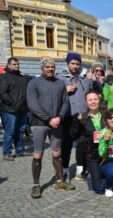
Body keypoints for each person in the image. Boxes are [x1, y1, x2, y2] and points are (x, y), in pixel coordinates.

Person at [27, 58, 74, 199]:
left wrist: (59, 117)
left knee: (57, 153)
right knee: (38, 154)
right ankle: (36, 186)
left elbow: (65, 101)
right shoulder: (33, 83)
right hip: (40, 123)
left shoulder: (60, 83)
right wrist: (48, 119)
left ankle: (60, 181)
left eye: (52, 67)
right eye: (47, 67)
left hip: (56, 123)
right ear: (42, 68)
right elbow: (32, 104)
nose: (50, 69)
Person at [55, 52, 92, 181]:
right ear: (68, 63)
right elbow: (54, 96)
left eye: (77, 63)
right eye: (73, 63)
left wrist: (92, 79)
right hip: (67, 116)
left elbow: (93, 92)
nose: (75, 66)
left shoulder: (85, 78)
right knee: (66, 144)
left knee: (82, 144)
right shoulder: (60, 77)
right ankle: (64, 169)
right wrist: (64, 90)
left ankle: (81, 169)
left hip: (82, 116)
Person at [70, 91, 105, 192]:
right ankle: (92, 174)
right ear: (86, 102)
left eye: (95, 99)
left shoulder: (106, 115)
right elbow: (74, 136)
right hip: (92, 155)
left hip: (107, 154)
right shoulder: (82, 117)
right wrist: (77, 122)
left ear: (99, 100)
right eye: (90, 100)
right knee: (98, 188)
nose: (93, 102)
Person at [0, 57, 30, 161]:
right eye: (14, 64)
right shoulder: (4, 77)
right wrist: (14, 103)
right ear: (8, 65)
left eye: (18, 64)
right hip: (9, 109)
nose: (17, 66)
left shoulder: (22, 77)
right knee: (10, 131)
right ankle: (7, 153)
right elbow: (3, 93)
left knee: (20, 131)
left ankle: (20, 151)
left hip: (22, 109)